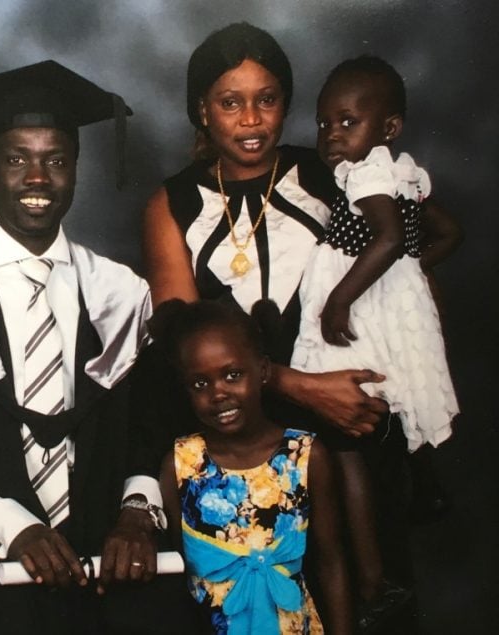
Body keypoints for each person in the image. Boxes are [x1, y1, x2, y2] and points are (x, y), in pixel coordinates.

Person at [0, 60, 195, 634]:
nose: (38, 178)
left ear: (76, 171)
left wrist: (136, 513)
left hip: (111, 556)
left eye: (56, 160)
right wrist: (12, 525)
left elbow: (149, 428)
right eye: (16, 159)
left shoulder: (122, 294)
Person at [140, 22, 394, 612]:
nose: (251, 120)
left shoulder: (334, 178)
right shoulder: (171, 203)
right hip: (238, 448)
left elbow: (392, 278)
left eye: (267, 100)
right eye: (231, 103)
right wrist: (299, 386)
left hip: (346, 427)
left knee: (360, 592)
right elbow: (177, 338)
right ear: (201, 110)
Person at [291, 55, 461, 515]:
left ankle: (370, 499)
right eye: (324, 123)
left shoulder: (365, 174)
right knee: (405, 385)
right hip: (390, 294)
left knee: (357, 393)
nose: (332, 135)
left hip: (360, 295)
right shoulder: (402, 174)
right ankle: (426, 485)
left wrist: (339, 300)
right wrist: (412, 273)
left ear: (389, 128)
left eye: (348, 121)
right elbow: (448, 232)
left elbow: (386, 238)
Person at [157, 299, 352, 634]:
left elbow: (332, 563)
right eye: (200, 384)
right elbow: (179, 573)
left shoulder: (304, 455)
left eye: (232, 375)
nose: (218, 393)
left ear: (262, 371)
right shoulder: (181, 462)